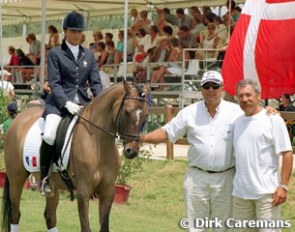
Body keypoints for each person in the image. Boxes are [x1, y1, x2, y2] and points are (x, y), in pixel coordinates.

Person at [141, 70, 242, 232]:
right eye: (206, 86)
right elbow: (168, 132)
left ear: (222, 88)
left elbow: (256, 118)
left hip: (226, 178)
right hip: (196, 179)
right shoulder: (189, 112)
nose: (211, 90)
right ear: (200, 89)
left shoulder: (237, 112)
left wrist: (272, 114)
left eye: (215, 86)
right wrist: (142, 139)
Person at [40, 11, 103, 197]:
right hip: (58, 105)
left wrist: (99, 103)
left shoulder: (89, 56)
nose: (76, 34)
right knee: (50, 133)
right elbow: (55, 82)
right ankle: (45, 178)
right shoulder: (55, 54)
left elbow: (96, 83)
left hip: (83, 105)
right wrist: (66, 103)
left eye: (79, 31)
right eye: (72, 31)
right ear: (65, 32)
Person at [232, 79, 293, 231]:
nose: (245, 99)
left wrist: (283, 186)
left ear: (258, 95)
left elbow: (287, 154)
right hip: (241, 195)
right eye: (241, 96)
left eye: (248, 95)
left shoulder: (273, 119)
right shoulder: (237, 122)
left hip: (267, 195)